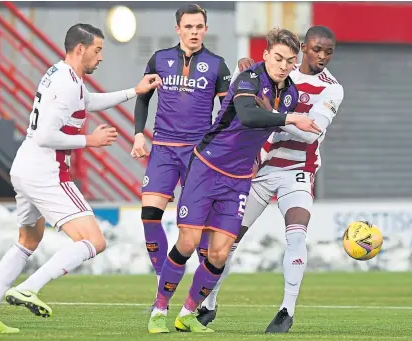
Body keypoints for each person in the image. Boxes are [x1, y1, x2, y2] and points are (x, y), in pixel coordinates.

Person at [0, 23, 161, 334]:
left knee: (28, 240)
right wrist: (90, 141)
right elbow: (46, 135)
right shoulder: (68, 84)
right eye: (98, 50)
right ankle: (29, 287)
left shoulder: (61, 74)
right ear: (80, 49)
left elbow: (87, 101)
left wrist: (133, 91)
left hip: (25, 167)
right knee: (94, 241)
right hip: (47, 172)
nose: (101, 57)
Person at [147, 27, 321, 334]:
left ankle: (187, 314)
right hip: (207, 167)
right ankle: (159, 309)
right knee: (187, 243)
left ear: (295, 63)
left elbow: (268, 127)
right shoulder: (248, 79)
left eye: (289, 60)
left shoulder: (291, 93)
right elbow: (249, 116)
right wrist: (291, 118)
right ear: (266, 55)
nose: (283, 65)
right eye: (278, 57)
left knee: (219, 252)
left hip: (239, 178)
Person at [197, 26, 344, 334]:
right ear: (303, 48)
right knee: (227, 241)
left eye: (328, 52)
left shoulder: (332, 88)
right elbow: (251, 108)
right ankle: (207, 305)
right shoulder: (278, 73)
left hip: (298, 172)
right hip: (260, 170)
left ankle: (286, 311)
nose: (322, 57)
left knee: (296, 236)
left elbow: (309, 132)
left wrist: (272, 112)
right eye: (317, 49)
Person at [131, 4, 234, 283]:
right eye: (188, 27)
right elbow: (143, 97)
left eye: (199, 27)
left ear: (206, 29)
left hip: (198, 154)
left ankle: (203, 298)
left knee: (198, 227)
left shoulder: (217, 65)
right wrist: (139, 133)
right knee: (150, 216)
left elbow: (228, 112)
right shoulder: (159, 59)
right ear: (178, 29)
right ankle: (160, 284)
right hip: (163, 149)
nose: (194, 32)